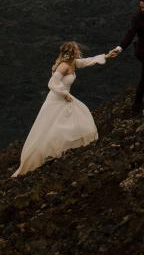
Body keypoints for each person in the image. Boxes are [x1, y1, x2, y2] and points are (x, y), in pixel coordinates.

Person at [12, 41, 119, 177]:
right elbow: (51, 83)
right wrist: (64, 94)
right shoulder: (63, 66)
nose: (79, 51)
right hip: (56, 99)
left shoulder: (74, 63)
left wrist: (107, 55)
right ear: (72, 52)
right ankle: (46, 154)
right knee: (50, 128)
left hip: (64, 97)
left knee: (76, 117)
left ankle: (61, 151)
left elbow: (87, 61)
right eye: (77, 49)